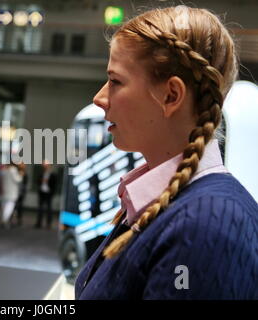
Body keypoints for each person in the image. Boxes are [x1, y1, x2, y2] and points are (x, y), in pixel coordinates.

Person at [75, 6, 258, 299]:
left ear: (171, 96)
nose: (100, 98)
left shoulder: (202, 226)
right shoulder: (180, 206)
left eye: (115, 81)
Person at [0, 162, 23, 229]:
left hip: (5, 191)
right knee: (9, 207)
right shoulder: (13, 170)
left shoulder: (5, 170)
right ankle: (5, 220)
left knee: (4, 206)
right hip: (12, 192)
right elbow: (18, 179)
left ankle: (5, 220)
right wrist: (21, 174)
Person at [35, 160, 57, 229]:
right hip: (42, 192)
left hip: (49, 193)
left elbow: (54, 184)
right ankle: (39, 223)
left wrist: (52, 192)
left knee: (49, 209)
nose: (44, 166)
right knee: (40, 208)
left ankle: (48, 224)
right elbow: (37, 180)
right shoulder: (41, 173)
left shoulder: (52, 174)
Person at [13, 162, 28, 226]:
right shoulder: (15, 172)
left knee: (20, 207)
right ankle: (9, 218)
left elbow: (25, 183)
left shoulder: (25, 174)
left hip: (21, 192)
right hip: (15, 191)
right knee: (13, 206)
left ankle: (19, 219)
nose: (22, 165)